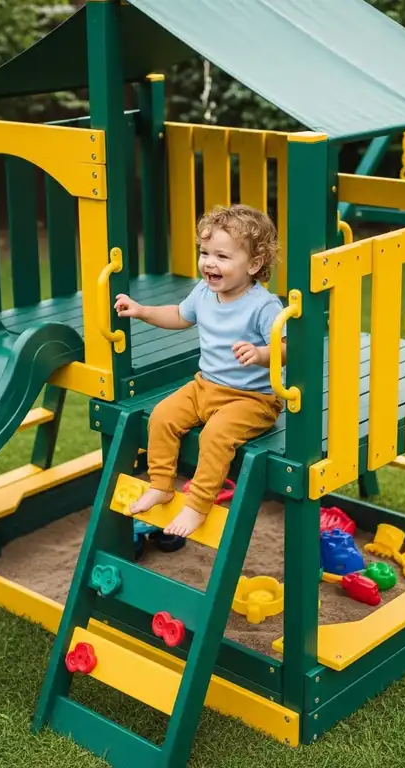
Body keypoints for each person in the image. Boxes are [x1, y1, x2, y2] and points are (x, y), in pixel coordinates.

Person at [114, 204, 286, 537]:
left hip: (251, 400)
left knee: (215, 436)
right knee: (162, 416)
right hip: (204, 387)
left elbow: (288, 348)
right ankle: (162, 484)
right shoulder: (204, 293)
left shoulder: (263, 305)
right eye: (205, 252)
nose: (209, 262)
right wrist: (142, 310)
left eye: (222, 256)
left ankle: (198, 505)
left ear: (253, 264)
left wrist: (262, 353)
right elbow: (179, 316)